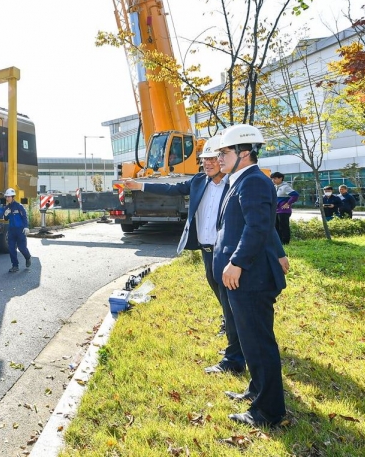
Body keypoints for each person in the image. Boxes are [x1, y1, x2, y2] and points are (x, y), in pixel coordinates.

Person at [213, 124, 287, 427]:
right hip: (245, 277)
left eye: (224, 152)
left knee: (258, 342)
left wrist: (237, 262)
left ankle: (268, 412)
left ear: (244, 153)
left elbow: (257, 228)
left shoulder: (253, 181)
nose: (219, 157)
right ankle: (257, 391)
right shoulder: (241, 179)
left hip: (251, 278)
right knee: (251, 340)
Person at [124, 135, 228, 334]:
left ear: (222, 160)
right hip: (206, 247)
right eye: (205, 159)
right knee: (214, 284)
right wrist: (140, 185)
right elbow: (171, 189)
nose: (208, 163)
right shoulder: (198, 181)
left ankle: (231, 324)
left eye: (213, 159)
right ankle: (228, 317)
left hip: (225, 247)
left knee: (227, 287)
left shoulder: (232, 184)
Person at [1, 187, 31, 273]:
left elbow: (24, 217)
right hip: (11, 231)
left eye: (9, 197)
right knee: (11, 249)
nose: (7, 198)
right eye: (6, 197)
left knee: (22, 248)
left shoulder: (19, 206)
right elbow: (6, 219)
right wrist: (5, 214)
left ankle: (28, 257)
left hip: (20, 231)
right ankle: (15, 266)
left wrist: (26, 227)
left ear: (13, 197)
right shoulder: (6, 208)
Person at [270, 172, 299, 245]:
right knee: (276, 226)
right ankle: (279, 242)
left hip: (284, 211)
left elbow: (295, 195)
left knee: (283, 226)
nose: (273, 180)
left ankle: (285, 242)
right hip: (276, 210)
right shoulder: (274, 187)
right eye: (272, 179)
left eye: (275, 178)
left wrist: (288, 203)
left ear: (281, 178)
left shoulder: (285, 187)